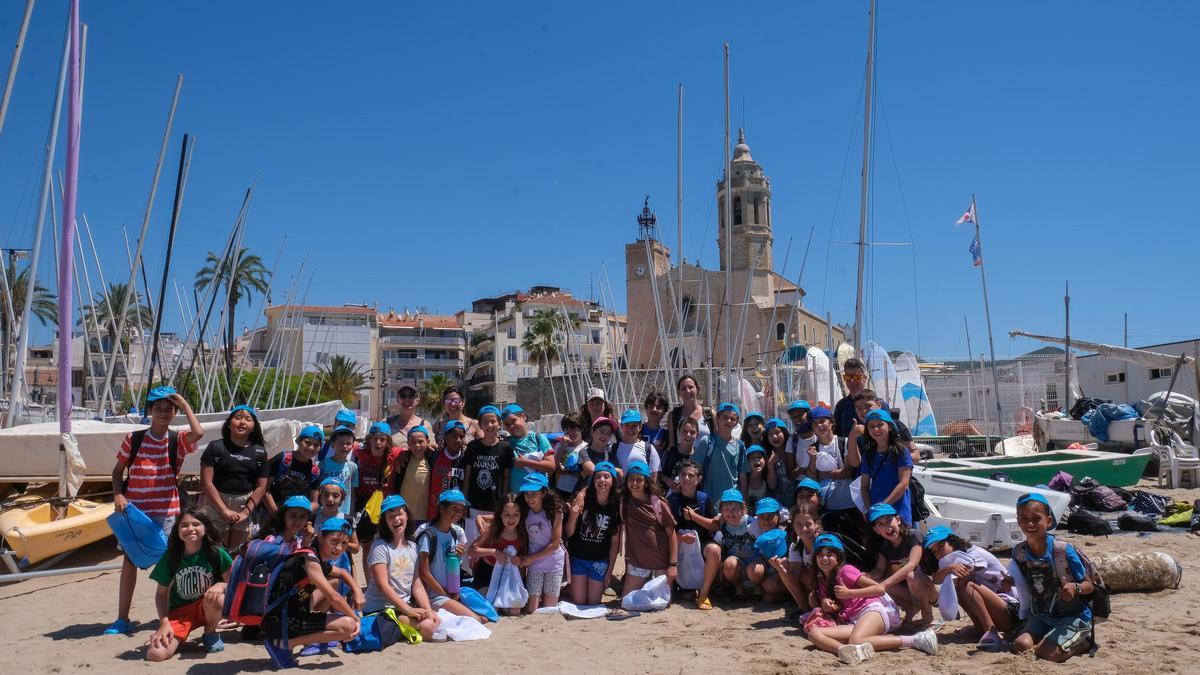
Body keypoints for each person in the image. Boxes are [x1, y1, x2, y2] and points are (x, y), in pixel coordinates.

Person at [107, 385, 204, 635]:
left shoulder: (177, 440)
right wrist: (118, 494)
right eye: (158, 408)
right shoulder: (134, 438)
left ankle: (169, 616)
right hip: (135, 513)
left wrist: (184, 404)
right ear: (150, 410)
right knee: (129, 563)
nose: (163, 412)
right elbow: (118, 471)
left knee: (168, 565)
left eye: (168, 409)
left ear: (174, 412)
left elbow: (199, 432)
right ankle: (122, 618)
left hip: (167, 511)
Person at [804, 533, 938, 665]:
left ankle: (916, 640)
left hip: (873, 609)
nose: (824, 559)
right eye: (820, 555)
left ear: (838, 557)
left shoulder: (845, 571)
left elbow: (879, 589)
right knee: (814, 633)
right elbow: (838, 604)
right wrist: (826, 604)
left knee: (856, 639)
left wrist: (849, 593)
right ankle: (846, 651)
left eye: (829, 555)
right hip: (853, 619)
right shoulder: (821, 581)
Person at [261, 518, 363, 670]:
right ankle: (284, 644)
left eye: (344, 544)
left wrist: (357, 589)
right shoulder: (310, 560)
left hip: (283, 613)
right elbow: (334, 598)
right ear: (320, 536)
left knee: (333, 582)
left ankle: (310, 636)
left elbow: (341, 572)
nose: (339, 548)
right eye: (334, 541)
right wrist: (356, 619)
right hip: (281, 621)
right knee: (347, 626)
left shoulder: (312, 555)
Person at [1009, 493, 1096, 662]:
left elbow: (1090, 585)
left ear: (1048, 521)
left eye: (1036, 519)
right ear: (1018, 520)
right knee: (1021, 645)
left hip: (1073, 616)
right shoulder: (1019, 552)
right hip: (1041, 615)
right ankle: (1047, 638)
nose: (1030, 524)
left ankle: (1084, 643)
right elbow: (1026, 580)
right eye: (1024, 519)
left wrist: (1074, 588)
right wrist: (1009, 582)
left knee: (1050, 653)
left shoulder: (1062, 550)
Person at [145, 507, 233, 661]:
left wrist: (221, 585)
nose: (190, 528)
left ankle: (210, 632)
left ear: (206, 528)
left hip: (207, 606)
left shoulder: (216, 553)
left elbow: (233, 582)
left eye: (196, 524)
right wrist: (164, 623)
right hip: (180, 613)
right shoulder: (171, 557)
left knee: (218, 597)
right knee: (155, 654)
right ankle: (176, 635)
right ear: (177, 530)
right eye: (184, 525)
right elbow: (160, 594)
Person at [921, 525, 1018, 649]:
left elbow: (961, 579)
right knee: (957, 587)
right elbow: (936, 580)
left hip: (1011, 610)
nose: (939, 553)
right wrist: (949, 568)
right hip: (999, 609)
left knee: (965, 586)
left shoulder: (974, 553)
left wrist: (948, 571)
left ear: (952, 541)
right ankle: (981, 627)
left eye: (941, 546)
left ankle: (990, 630)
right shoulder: (953, 560)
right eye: (934, 551)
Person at [363, 495, 441, 641]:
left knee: (436, 619)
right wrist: (407, 609)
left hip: (402, 606)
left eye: (399, 513)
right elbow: (382, 586)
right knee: (429, 628)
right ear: (385, 521)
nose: (396, 519)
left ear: (407, 515)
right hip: (381, 609)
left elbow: (416, 584)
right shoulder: (380, 547)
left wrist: (428, 610)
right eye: (390, 516)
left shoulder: (413, 547)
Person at [198, 405, 270, 551]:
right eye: (238, 418)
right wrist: (223, 509)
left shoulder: (259, 452)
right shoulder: (215, 447)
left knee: (236, 551)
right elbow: (206, 483)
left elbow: (261, 487)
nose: (242, 422)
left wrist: (245, 513)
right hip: (216, 503)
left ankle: (231, 574)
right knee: (215, 550)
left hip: (244, 505)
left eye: (248, 419)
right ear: (229, 424)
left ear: (254, 427)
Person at [416, 489, 489, 622]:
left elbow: (450, 567)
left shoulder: (455, 534)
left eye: (461, 510)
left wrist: (458, 557)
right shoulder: (428, 534)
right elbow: (423, 572)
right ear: (442, 508)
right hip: (433, 595)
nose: (458, 513)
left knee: (485, 617)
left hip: (449, 592)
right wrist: (446, 594)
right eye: (454, 508)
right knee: (477, 620)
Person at [865, 503, 936, 628]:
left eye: (888, 520)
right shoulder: (884, 545)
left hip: (929, 589)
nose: (887, 526)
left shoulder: (914, 535)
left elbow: (912, 565)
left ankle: (926, 612)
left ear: (897, 520)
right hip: (906, 591)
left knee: (911, 576)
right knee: (873, 583)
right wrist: (863, 577)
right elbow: (879, 570)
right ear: (876, 530)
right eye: (880, 524)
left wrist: (884, 584)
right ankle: (911, 610)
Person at [566, 461, 623, 606]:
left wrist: (610, 571)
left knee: (593, 603)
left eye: (606, 477)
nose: (602, 480)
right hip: (578, 557)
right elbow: (569, 533)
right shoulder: (583, 500)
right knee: (579, 602)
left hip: (599, 560)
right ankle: (569, 587)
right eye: (598, 477)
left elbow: (615, 542)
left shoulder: (615, 506)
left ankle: (571, 587)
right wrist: (573, 515)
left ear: (612, 481)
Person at [620, 461, 678, 598]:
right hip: (637, 563)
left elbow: (672, 534)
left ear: (646, 482)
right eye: (631, 479)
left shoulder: (659, 503)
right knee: (627, 601)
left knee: (661, 604)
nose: (634, 483)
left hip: (660, 563)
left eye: (639, 480)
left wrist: (673, 565)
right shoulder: (624, 501)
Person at [462, 405, 512, 555]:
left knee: (492, 543)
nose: (489, 425)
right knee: (473, 544)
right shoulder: (473, 446)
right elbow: (468, 475)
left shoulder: (506, 447)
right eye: (485, 422)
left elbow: (506, 477)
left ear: (499, 423)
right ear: (480, 424)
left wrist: (504, 503)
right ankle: (472, 575)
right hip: (474, 503)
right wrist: (465, 501)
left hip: (494, 505)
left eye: (493, 422)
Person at [695, 488, 756, 608]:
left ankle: (758, 589)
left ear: (742, 509)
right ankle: (738, 587)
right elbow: (719, 545)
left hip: (753, 561)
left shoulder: (750, 522)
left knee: (756, 571)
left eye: (734, 509)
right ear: (721, 511)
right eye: (726, 509)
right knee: (729, 564)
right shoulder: (722, 524)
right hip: (736, 564)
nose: (730, 513)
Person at [467, 494, 527, 614]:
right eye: (506, 514)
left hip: (510, 576)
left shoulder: (522, 533)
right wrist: (494, 552)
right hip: (488, 573)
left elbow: (524, 557)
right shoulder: (492, 531)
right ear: (500, 515)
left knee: (515, 610)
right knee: (492, 608)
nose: (511, 519)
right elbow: (471, 550)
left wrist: (520, 559)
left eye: (516, 514)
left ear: (521, 515)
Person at [517, 473, 566, 612]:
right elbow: (504, 515)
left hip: (553, 564)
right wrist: (481, 518)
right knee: (532, 609)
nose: (529, 498)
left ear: (544, 493)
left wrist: (530, 559)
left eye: (534, 493)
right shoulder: (524, 511)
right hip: (535, 565)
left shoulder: (555, 512)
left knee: (548, 609)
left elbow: (555, 544)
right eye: (527, 494)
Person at [860, 410, 915, 526]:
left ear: (889, 427)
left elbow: (904, 483)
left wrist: (883, 507)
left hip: (899, 512)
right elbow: (864, 487)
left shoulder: (901, 452)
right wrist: (871, 510)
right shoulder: (867, 455)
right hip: (877, 515)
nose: (876, 429)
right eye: (871, 426)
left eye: (880, 425)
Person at [769, 501, 822, 614]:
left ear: (816, 524)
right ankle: (804, 609)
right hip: (813, 584)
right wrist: (781, 571)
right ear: (793, 525)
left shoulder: (823, 543)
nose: (803, 528)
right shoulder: (797, 545)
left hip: (828, 586)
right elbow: (794, 577)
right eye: (798, 524)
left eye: (808, 524)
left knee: (810, 571)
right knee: (783, 563)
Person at [352, 421, 399, 544]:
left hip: (386, 504)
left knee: (387, 541)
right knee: (367, 542)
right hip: (365, 504)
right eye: (375, 438)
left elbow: (412, 449)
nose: (378, 443)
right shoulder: (360, 451)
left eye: (382, 439)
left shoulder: (394, 454)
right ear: (369, 440)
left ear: (388, 441)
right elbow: (347, 443)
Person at [692, 403, 747, 499]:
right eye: (725, 417)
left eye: (733, 419)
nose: (729, 421)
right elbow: (692, 469)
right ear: (717, 419)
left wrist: (744, 500)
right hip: (710, 501)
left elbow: (742, 476)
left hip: (733, 501)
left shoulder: (740, 446)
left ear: (736, 422)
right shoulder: (707, 441)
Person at [265, 425, 322, 516]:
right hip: (270, 514)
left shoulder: (315, 471)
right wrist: (276, 514)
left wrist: (300, 516)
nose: (311, 448)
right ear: (299, 441)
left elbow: (315, 503)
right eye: (307, 442)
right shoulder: (282, 459)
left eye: (316, 445)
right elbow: (264, 489)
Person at [502, 404, 555, 489]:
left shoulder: (538, 438)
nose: (511, 426)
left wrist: (525, 462)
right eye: (507, 425)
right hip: (515, 496)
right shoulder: (506, 443)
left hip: (537, 494)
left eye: (513, 421)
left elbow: (551, 467)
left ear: (523, 417)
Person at [746, 498, 787, 602]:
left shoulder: (787, 528)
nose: (766, 520)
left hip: (783, 565)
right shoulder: (753, 528)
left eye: (770, 516)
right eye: (762, 516)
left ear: (778, 515)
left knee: (770, 588)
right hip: (766, 562)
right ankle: (760, 588)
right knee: (754, 570)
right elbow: (755, 551)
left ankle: (786, 593)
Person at [426, 419, 468, 518]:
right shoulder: (434, 456)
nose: (458, 440)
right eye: (454, 436)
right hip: (436, 511)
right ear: (445, 437)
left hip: (457, 513)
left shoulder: (466, 459)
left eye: (461, 437)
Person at [393, 426, 434, 524]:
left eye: (420, 441)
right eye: (413, 442)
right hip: (404, 515)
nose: (417, 445)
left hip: (424, 516)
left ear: (427, 441)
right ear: (408, 444)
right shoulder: (403, 461)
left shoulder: (432, 460)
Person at [319, 425, 360, 517]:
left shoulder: (353, 467)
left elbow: (352, 492)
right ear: (333, 445)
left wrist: (351, 513)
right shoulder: (323, 464)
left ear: (352, 446)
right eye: (340, 443)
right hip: (324, 511)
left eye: (348, 443)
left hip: (344, 513)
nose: (344, 446)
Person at [667, 374, 715, 451]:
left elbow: (717, 441)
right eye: (683, 388)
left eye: (690, 387)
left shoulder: (709, 414)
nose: (688, 391)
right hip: (682, 461)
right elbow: (672, 445)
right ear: (679, 392)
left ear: (697, 390)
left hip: (706, 461)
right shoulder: (673, 416)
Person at [313, 478, 361, 555]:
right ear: (320, 497)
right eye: (326, 495)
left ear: (342, 499)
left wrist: (338, 541)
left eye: (335, 496)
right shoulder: (312, 519)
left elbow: (356, 548)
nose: (330, 499)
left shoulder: (348, 520)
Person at [615, 408, 661, 484]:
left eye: (634, 425)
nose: (630, 429)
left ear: (640, 427)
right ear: (621, 426)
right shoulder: (613, 448)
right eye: (627, 425)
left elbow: (654, 475)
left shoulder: (649, 448)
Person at [385, 384, 432, 451]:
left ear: (417, 400)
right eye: (403, 396)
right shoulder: (387, 423)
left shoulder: (425, 425)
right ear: (398, 400)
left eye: (411, 396)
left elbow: (432, 447)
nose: (407, 399)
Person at [553, 412, 588, 498]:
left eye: (573, 428)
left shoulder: (586, 447)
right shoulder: (559, 446)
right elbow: (554, 467)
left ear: (581, 428)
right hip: (559, 490)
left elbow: (585, 472)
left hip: (576, 491)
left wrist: (568, 472)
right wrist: (562, 447)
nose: (570, 432)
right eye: (566, 429)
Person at [661, 416, 699, 491]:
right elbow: (659, 473)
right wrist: (668, 481)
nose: (688, 435)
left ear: (697, 434)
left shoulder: (698, 455)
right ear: (678, 432)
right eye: (685, 431)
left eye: (692, 432)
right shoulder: (670, 452)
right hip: (671, 496)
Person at [833, 357, 868, 436]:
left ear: (865, 378)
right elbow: (836, 434)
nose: (852, 381)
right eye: (848, 377)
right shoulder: (841, 406)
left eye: (856, 377)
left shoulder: (877, 403)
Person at [579, 416, 618, 481]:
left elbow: (618, 477)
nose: (604, 436)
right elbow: (593, 471)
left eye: (608, 433)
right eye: (602, 431)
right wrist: (615, 470)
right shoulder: (583, 452)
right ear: (592, 431)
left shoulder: (612, 456)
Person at [742, 445, 771, 513]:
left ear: (765, 460)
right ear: (747, 462)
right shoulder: (744, 479)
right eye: (752, 457)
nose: (757, 459)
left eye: (759, 457)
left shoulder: (766, 479)